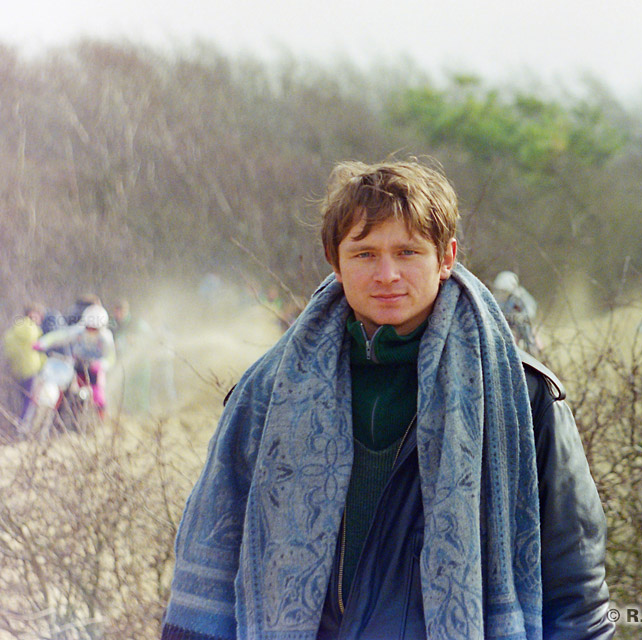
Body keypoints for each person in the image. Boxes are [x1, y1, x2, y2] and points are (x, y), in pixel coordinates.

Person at [162, 160, 613, 640]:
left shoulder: (523, 396)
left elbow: (577, 593)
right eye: (364, 254)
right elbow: (209, 568)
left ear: (446, 258)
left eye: (408, 251)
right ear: (335, 263)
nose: (387, 274)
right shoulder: (266, 395)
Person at [35, 303, 116, 417]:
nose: (91, 331)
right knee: (63, 389)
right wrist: (43, 342)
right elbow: (61, 336)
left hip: (94, 370)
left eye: (95, 329)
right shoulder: (79, 331)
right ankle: (55, 418)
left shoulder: (106, 338)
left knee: (98, 395)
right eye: (89, 327)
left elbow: (111, 358)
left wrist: (102, 364)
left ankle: (100, 421)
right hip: (77, 365)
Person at [2, 304, 47, 420]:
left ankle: (13, 423)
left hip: (15, 371)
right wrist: (44, 363)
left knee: (19, 400)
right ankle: (23, 427)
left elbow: (8, 349)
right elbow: (40, 350)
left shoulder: (13, 330)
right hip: (31, 370)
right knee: (29, 401)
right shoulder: (34, 330)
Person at [491, 270, 542, 356]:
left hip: (521, 325)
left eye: (504, 291)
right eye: (499, 290)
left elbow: (531, 309)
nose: (501, 294)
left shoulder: (519, 296)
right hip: (506, 327)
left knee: (529, 335)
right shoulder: (495, 298)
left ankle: (535, 353)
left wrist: (521, 316)